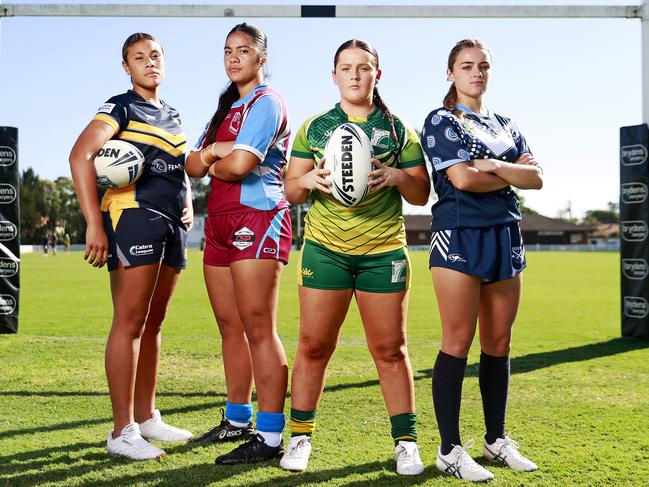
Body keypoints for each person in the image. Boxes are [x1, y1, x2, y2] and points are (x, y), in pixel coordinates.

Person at [279, 39, 430, 475]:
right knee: (313, 346)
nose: (355, 75)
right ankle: (301, 438)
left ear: (376, 75)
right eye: (346, 68)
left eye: (363, 68)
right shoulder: (315, 127)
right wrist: (308, 178)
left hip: (383, 250)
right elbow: (290, 190)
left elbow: (421, 194)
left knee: (390, 349)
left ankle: (407, 443)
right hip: (326, 250)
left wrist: (397, 174)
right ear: (334, 75)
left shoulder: (398, 129)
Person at [421, 39, 543, 482]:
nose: (477, 73)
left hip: (505, 232)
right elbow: (463, 179)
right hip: (458, 234)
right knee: (457, 340)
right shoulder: (441, 120)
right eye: (467, 66)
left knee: (500, 342)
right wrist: (507, 173)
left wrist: (491, 163)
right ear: (450, 72)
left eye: (484, 66)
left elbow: (538, 177)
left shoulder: (506, 124)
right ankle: (449, 450)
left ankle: (495, 441)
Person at [69, 32, 194, 461]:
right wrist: (93, 225)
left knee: (154, 324)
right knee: (130, 323)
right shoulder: (120, 106)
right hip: (132, 218)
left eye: (156, 55)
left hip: (171, 225)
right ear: (127, 67)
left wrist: (189, 201)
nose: (149, 62)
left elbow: (178, 164)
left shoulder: (173, 113)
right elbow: (81, 155)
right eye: (139, 57)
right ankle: (122, 431)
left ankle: (146, 418)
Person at [185, 23, 291, 464]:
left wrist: (216, 155)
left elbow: (238, 165)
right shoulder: (224, 108)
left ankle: (269, 435)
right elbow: (193, 164)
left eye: (243, 51)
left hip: (258, 218)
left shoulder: (267, 103)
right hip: (219, 222)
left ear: (261, 59)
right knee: (229, 325)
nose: (233, 58)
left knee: (258, 326)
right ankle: (237, 417)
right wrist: (214, 152)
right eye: (228, 50)